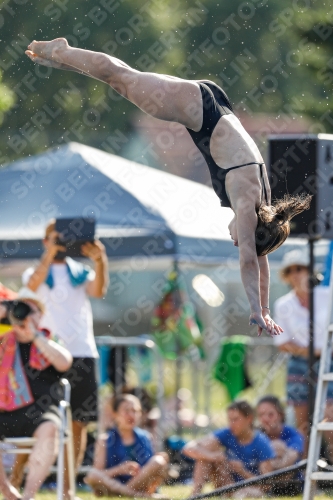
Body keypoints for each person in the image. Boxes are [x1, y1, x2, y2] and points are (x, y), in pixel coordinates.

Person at [25, 37, 312, 336]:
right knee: (120, 78)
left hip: (210, 104)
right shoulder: (245, 201)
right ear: (250, 229)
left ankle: (66, 57)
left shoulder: (261, 204)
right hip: (198, 107)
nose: (237, 242)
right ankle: (63, 50)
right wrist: (255, 310)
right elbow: (250, 262)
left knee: (122, 81)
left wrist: (265, 309)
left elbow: (259, 262)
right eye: (242, 241)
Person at [18, 219, 109, 492]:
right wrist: (50, 253)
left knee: (78, 423)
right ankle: (15, 481)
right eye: (54, 238)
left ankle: (68, 489)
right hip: (46, 353)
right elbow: (28, 291)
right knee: (37, 422)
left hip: (82, 351)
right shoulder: (34, 272)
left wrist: (100, 260)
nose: (59, 243)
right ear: (45, 241)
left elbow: (98, 291)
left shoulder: (80, 272)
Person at [0, 288, 73, 500]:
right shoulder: (4, 340)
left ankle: (29, 495)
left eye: (32, 310)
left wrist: (35, 336)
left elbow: (64, 362)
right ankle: (6, 491)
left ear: (41, 316)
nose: (26, 314)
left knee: (50, 428)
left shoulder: (48, 340)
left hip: (41, 413)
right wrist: (6, 311)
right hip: (6, 409)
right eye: (22, 309)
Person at [273, 249, 333, 455]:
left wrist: (320, 351)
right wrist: (311, 351)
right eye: (291, 270)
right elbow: (282, 342)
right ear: (286, 276)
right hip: (299, 363)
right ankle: (304, 469)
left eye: (300, 268)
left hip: (329, 360)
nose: (296, 273)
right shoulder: (283, 304)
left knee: (330, 415)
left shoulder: (327, 295)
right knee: (302, 419)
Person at [182, 400, 275, 498]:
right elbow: (188, 449)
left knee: (243, 494)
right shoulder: (228, 433)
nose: (231, 424)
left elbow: (266, 485)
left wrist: (242, 471)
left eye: (235, 419)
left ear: (249, 419)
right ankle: (195, 495)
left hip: (250, 489)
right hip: (227, 484)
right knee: (205, 455)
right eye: (229, 420)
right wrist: (213, 456)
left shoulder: (262, 442)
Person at [85, 394, 169, 498]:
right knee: (93, 475)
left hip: (137, 485)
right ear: (115, 414)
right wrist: (119, 470)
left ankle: (125, 493)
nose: (131, 415)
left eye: (135, 411)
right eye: (126, 411)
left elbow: (151, 475)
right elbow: (99, 474)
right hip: (112, 486)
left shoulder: (146, 437)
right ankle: (134, 495)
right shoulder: (104, 440)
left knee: (159, 461)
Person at [256, 395, 304, 470]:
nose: (265, 419)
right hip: (265, 479)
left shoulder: (292, 433)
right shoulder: (257, 435)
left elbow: (292, 457)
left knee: (277, 446)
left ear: (280, 415)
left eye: (270, 414)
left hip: (292, 479)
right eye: (261, 415)